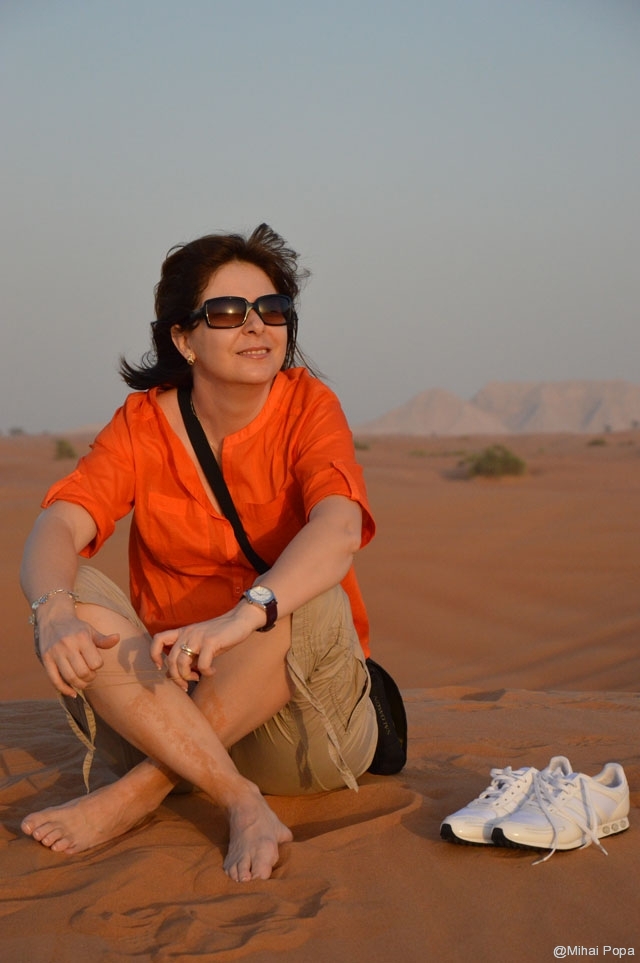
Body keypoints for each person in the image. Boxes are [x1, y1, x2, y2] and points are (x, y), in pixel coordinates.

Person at [20, 223, 378, 882]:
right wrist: (53, 611)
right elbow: (58, 523)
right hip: (170, 709)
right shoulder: (142, 424)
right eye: (228, 311)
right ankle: (235, 795)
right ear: (183, 337)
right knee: (74, 591)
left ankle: (139, 794)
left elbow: (339, 528)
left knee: (306, 589)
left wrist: (245, 615)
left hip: (299, 732)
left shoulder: (308, 406)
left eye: (272, 309)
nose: (257, 326)